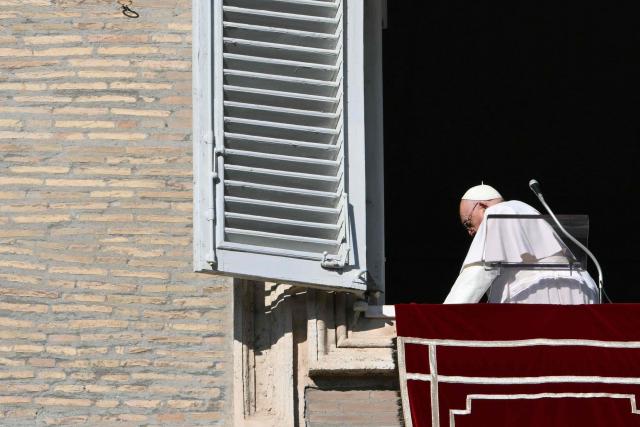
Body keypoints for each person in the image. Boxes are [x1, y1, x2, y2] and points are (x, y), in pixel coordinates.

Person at [444, 184, 598, 304]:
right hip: (582, 291)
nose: (470, 231)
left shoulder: (497, 213)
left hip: (537, 293)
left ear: (482, 206)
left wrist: (442, 317)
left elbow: (477, 274)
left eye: (467, 222)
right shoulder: (529, 212)